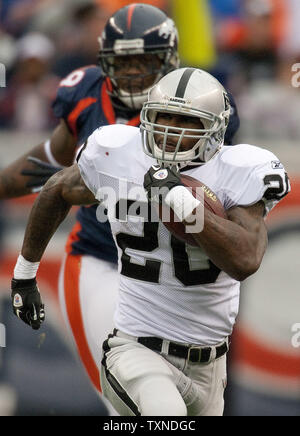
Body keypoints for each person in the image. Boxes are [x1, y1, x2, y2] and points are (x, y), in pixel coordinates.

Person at [10, 67, 290, 416]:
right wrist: (25, 273)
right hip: (136, 351)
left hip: (210, 365)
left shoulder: (237, 171)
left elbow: (245, 259)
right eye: (164, 117)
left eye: (187, 122)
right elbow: (56, 189)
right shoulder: (119, 154)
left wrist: (186, 208)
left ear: (215, 131)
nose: (172, 131)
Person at [1, 3, 239, 397]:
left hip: (173, 276)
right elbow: (49, 164)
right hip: (101, 260)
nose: (132, 72)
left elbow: (219, 190)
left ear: (169, 60)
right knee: (131, 399)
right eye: (123, 62)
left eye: (144, 61)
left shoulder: (202, 100)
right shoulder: (87, 95)